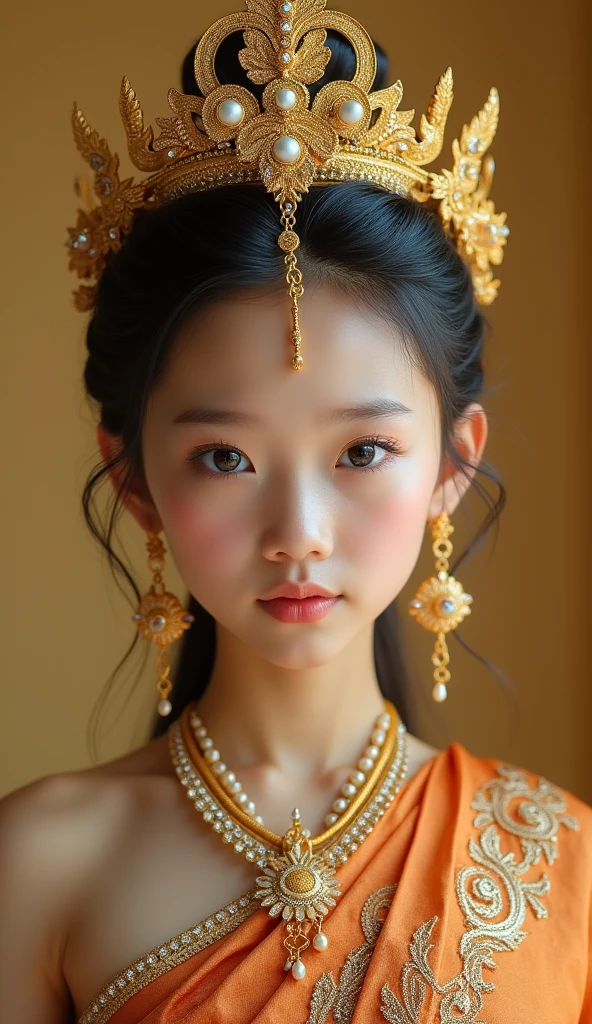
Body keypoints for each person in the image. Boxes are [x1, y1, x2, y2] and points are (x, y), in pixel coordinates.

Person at [1, 1, 591, 1021]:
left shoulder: (562, 865)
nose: (299, 531)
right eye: (223, 456)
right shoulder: (39, 863)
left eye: (363, 450)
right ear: (134, 475)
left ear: (453, 461)